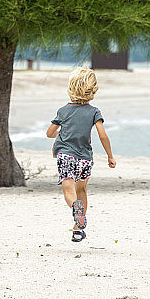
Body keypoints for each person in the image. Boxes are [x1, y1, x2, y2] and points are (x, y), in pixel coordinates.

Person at [46, 66, 116, 242]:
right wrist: (110, 156)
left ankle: (75, 208)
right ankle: (78, 230)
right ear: (93, 90)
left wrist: (62, 134)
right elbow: (102, 135)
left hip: (65, 156)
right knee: (82, 189)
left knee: (69, 190)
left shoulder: (63, 111)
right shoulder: (94, 112)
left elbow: (49, 133)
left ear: (71, 88)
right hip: (84, 158)